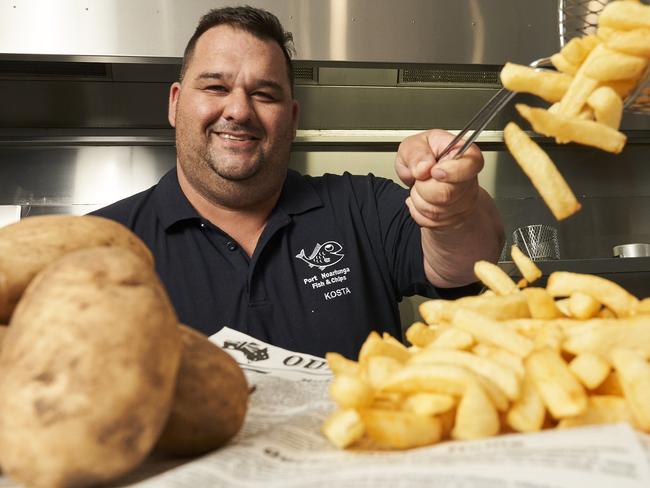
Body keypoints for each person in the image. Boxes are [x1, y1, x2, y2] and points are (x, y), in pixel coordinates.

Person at [93, 6, 504, 358]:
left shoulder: (360, 206)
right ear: (176, 102)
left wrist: (455, 208)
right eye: (216, 86)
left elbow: (464, 262)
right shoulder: (99, 244)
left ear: (292, 118)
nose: (238, 109)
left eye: (264, 94)